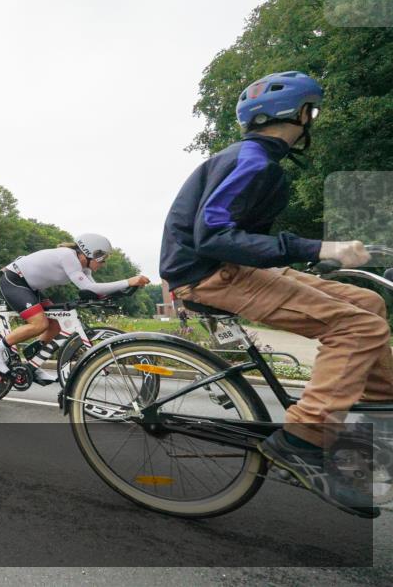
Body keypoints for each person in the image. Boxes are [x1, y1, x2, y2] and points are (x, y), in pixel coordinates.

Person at [159, 71, 392, 517]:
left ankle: (378, 406)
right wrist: (317, 247)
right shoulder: (254, 161)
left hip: (231, 266)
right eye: (312, 112)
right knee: (357, 325)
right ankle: (302, 440)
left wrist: (319, 256)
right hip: (210, 273)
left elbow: (241, 236)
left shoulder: (253, 159)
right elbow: (213, 236)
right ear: (302, 113)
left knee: (368, 303)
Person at [0, 234, 150, 385]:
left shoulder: (83, 267)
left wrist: (121, 293)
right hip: (14, 282)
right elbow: (89, 287)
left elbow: (95, 291)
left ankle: (33, 361)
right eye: (102, 259)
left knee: (55, 324)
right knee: (39, 324)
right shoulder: (67, 256)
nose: (103, 264)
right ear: (91, 253)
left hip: (30, 287)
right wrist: (128, 281)